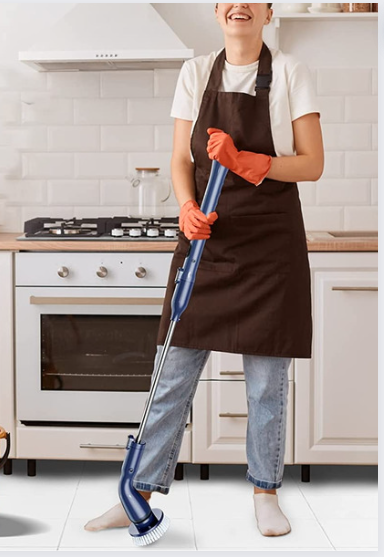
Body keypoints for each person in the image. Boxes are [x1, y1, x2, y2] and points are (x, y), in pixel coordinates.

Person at [85, 2, 323, 537]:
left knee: (265, 384)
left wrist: (254, 163)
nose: (239, 4)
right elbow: (179, 158)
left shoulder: (290, 72)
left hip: (269, 246)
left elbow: (312, 162)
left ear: (267, 12)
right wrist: (186, 207)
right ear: (217, 11)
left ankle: (265, 492)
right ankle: (137, 492)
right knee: (171, 373)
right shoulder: (195, 72)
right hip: (206, 242)